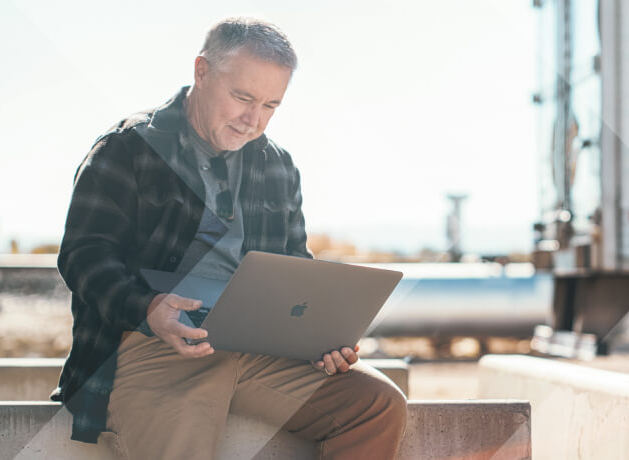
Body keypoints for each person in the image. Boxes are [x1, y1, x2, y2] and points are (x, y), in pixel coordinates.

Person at [51, 17, 407, 459]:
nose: (252, 120)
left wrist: (322, 334)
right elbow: (84, 256)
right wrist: (148, 308)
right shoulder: (128, 147)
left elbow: (296, 266)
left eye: (271, 105)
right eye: (242, 97)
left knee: (376, 404)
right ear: (201, 71)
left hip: (257, 348)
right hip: (154, 344)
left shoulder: (277, 165)